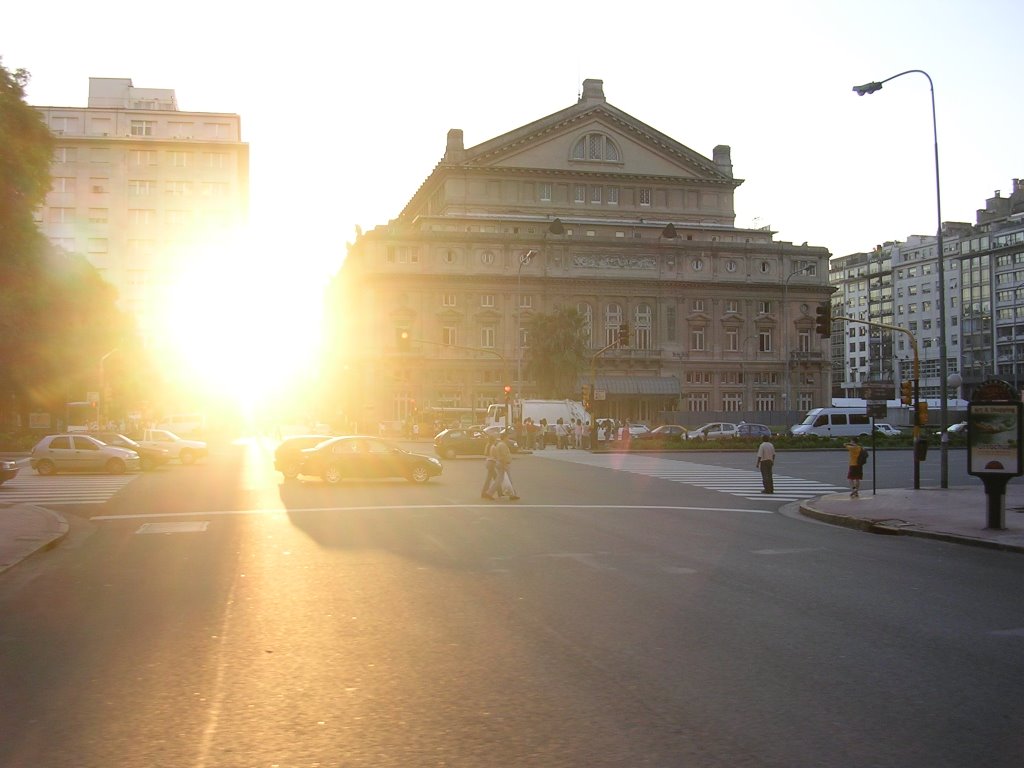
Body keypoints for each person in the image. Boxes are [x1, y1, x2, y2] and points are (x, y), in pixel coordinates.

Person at [485, 431, 519, 500]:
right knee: (502, 480)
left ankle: (512, 494)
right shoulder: (502, 445)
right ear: (505, 438)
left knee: (501, 480)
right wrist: (505, 464)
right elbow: (503, 456)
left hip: (501, 463)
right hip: (503, 464)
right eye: (507, 437)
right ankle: (490, 493)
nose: (508, 439)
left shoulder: (499, 444)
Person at [481, 434, 498, 499]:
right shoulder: (493, 447)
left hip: (488, 461)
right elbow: (496, 456)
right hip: (492, 463)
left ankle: (499, 492)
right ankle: (486, 492)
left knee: (495, 477)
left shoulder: (488, 445)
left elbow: (485, 453)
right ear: (494, 440)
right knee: (491, 479)